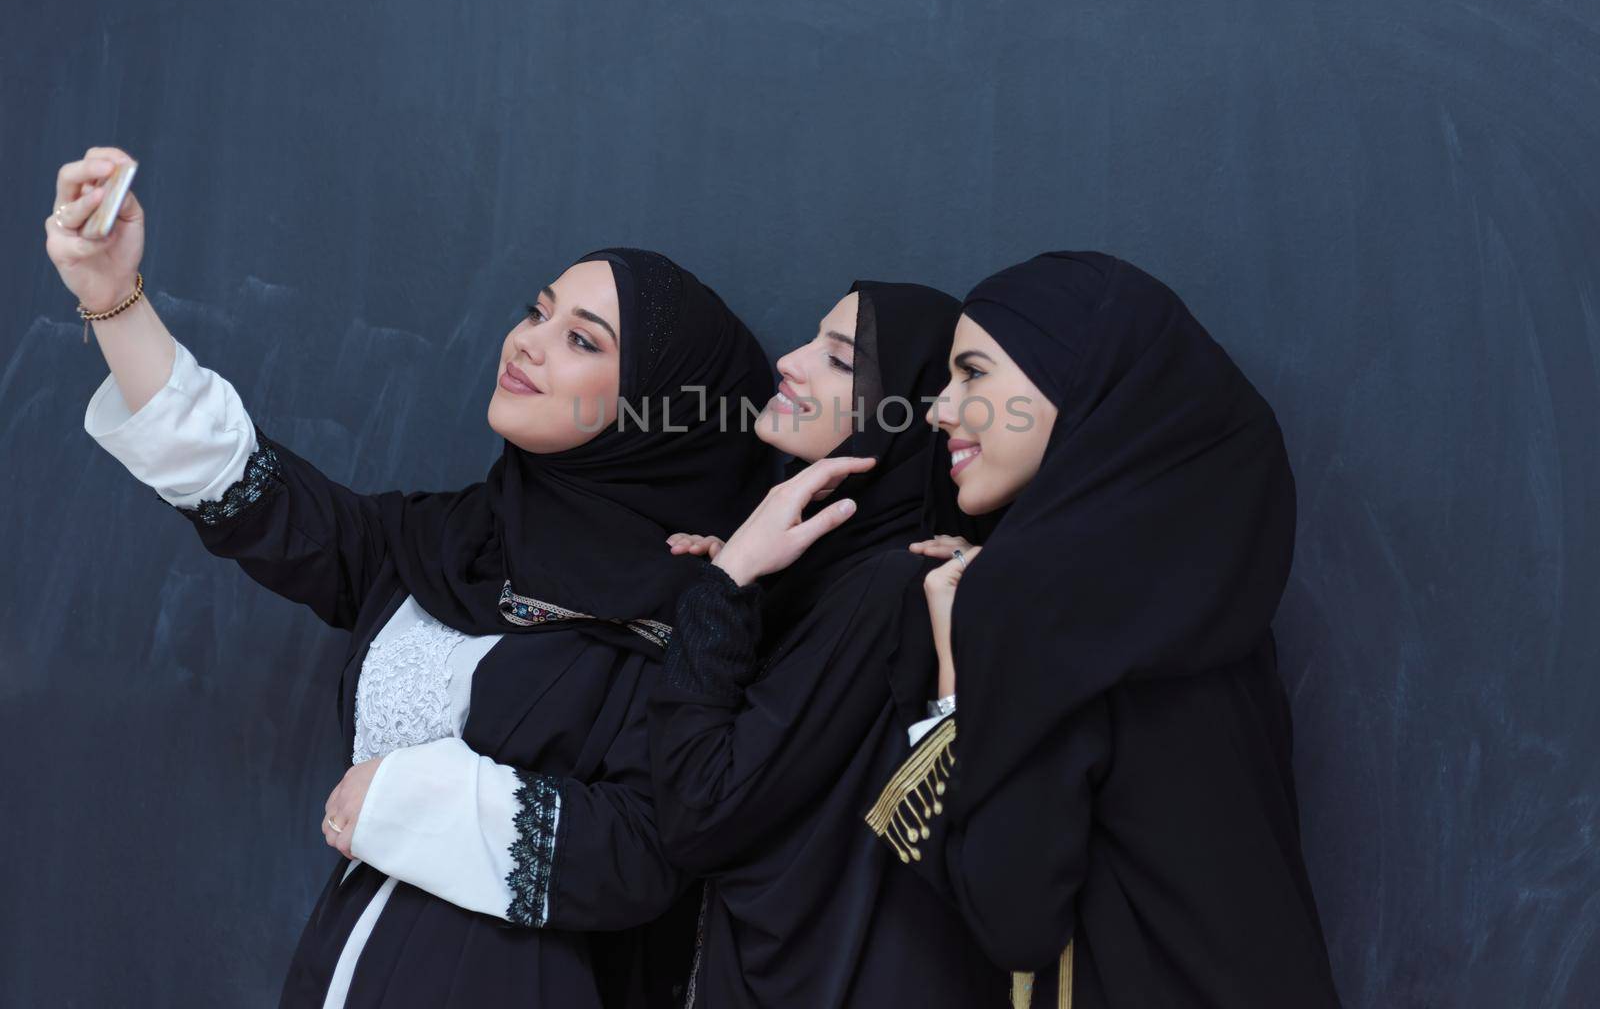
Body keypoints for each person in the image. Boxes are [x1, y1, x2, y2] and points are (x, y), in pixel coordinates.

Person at [47, 146, 779, 1008]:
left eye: (580, 339)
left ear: (662, 411)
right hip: (341, 967)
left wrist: (404, 797)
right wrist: (110, 297)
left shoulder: (687, 609)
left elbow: (650, 848)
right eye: (537, 312)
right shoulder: (447, 543)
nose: (528, 343)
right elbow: (246, 487)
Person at [872, 250, 1342, 1008]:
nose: (938, 410)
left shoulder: (1030, 601)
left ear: (1074, 381)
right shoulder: (1200, 578)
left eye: (974, 374)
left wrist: (956, 676)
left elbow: (1010, 918)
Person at [647, 280, 1009, 1007]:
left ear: (907, 410)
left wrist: (723, 591)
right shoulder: (841, 575)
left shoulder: (892, 590)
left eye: (841, 360)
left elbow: (703, 811)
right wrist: (742, 589)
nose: (789, 361)